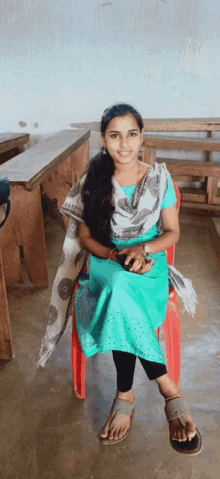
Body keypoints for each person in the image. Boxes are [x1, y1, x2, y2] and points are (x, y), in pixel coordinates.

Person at [37, 103, 202, 455]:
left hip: (149, 263)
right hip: (105, 259)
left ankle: (124, 394)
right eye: (115, 136)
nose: (124, 144)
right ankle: (168, 389)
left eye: (131, 135)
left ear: (142, 137)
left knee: (122, 291)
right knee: (117, 286)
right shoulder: (92, 181)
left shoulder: (160, 178)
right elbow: (85, 240)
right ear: (103, 139)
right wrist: (114, 255)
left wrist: (144, 250)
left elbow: (172, 232)